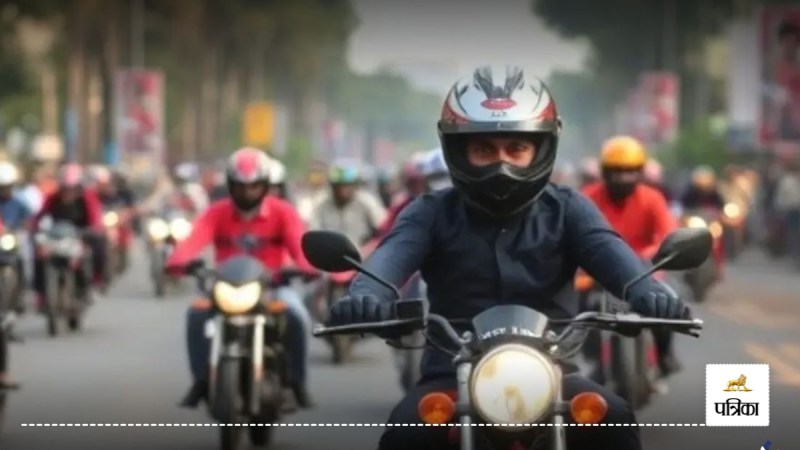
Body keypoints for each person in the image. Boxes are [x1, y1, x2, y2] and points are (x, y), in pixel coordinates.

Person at [329, 65, 689, 450]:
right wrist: (365, 295)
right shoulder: (428, 211)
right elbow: (389, 258)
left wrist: (648, 291)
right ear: (459, 151)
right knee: (406, 434)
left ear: (541, 148)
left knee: (613, 421)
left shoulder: (570, 209)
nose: (502, 163)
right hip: (451, 373)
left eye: (516, 148)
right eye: (484, 149)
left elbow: (613, 255)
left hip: (553, 372)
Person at [165, 148, 316, 409]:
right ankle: (201, 380)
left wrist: (306, 267)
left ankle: (297, 383)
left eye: (254, 186)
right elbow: (192, 242)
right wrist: (179, 262)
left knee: (296, 316)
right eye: (241, 186)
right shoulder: (216, 213)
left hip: (272, 287)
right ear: (231, 185)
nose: (248, 193)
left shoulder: (283, 212)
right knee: (196, 315)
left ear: (266, 185)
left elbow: (299, 247)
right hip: (225, 286)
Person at [582, 136, 682, 378]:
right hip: (598, 271)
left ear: (640, 173)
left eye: (629, 172)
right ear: (604, 172)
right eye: (616, 172)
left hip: (644, 268)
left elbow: (668, 234)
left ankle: (664, 353)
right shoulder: (585, 198)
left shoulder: (652, 198)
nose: (622, 179)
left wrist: (653, 253)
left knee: (668, 303)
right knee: (579, 308)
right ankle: (593, 357)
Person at [30, 163, 106, 307]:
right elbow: (40, 216)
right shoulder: (52, 198)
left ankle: (94, 283)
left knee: (97, 247)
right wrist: (34, 227)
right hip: (57, 237)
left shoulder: (87, 198)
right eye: (66, 188)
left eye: (72, 189)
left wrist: (93, 229)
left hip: (80, 236)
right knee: (39, 255)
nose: (69, 192)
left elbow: (95, 218)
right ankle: (40, 292)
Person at [307, 160, 387, 246]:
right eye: (338, 185)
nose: (342, 190)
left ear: (355, 185)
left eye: (347, 185)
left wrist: (371, 246)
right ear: (332, 186)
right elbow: (313, 231)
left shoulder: (367, 203)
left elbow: (383, 228)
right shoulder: (322, 205)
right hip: (330, 255)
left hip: (362, 256)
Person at [0, 161, 32, 312]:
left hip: (13, 237)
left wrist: (19, 229)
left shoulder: (19, 202)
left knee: (24, 255)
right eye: (2, 187)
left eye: (6, 187)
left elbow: (28, 220)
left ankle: (23, 290)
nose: (4, 190)